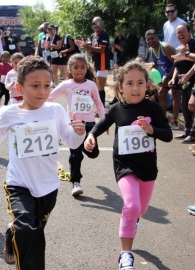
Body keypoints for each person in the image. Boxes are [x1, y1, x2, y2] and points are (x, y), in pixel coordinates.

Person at [0, 56, 86, 269]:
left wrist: (79, 133)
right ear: (20, 87)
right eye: (35, 86)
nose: (42, 91)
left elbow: (72, 142)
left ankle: (12, 233)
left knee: (34, 231)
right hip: (19, 184)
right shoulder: (10, 113)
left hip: (48, 187)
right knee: (29, 230)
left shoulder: (55, 111)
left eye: (46, 86)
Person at [84, 60, 173, 270]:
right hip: (124, 165)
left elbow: (168, 135)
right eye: (130, 83)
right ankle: (125, 255)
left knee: (140, 210)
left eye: (140, 83)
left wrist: (152, 131)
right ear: (121, 86)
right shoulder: (117, 109)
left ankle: (133, 221)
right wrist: (91, 136)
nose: (135, 88)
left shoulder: (154, 108)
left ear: (147, 85)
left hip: (148, 168)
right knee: (131, 206)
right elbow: (101, 124)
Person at [48, 53, 105, 196]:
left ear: (86, 69)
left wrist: (104, 122)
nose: (79, 70)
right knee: (75, 155)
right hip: (73, 125)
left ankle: (84, 148)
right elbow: (50, 97)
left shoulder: (91, 84)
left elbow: (98, 102)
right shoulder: (66, 84)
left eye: (82, 67)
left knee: (93, 153)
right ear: (69, 70)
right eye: (76, 67)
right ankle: (76, 182)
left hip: (90, 124)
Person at [145, 29, 180, 129]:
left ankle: (175, 122)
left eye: (152, 38)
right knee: (161, 94)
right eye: (148, 39)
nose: (150, 41)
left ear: (157, 37)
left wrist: (169, 77)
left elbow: (176, 63)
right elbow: (156, 64)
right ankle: (163, 119)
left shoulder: (165, 47)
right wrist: (149, 66)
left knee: (175, 95)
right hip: (167, 73)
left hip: (178, 71)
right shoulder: (151, 50)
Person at [168, 23, 195, 143]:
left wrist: (188, 75)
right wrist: (173, 79)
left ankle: (193, 134)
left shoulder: (193, 44)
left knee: (193, 107)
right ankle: (187, 131)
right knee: (185, 107)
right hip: (184, 83)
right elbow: (177, 66)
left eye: (182, 31)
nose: (180, 34)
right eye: (178, 32)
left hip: (192, 82)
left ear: (189, 32)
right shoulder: (180, 48)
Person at [77, 17, 110, 107]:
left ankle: (101, 109)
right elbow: (92, 53)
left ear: (102, 24)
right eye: (93, 23)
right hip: (96, 63)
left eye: (98, 23)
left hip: (103, 63)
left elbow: (102, 50)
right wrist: (86, 47)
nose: (95, 25)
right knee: (95, 86)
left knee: (99, 87)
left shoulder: (104, 34)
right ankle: (98, 107)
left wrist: (89, 47)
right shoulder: (93, 36)